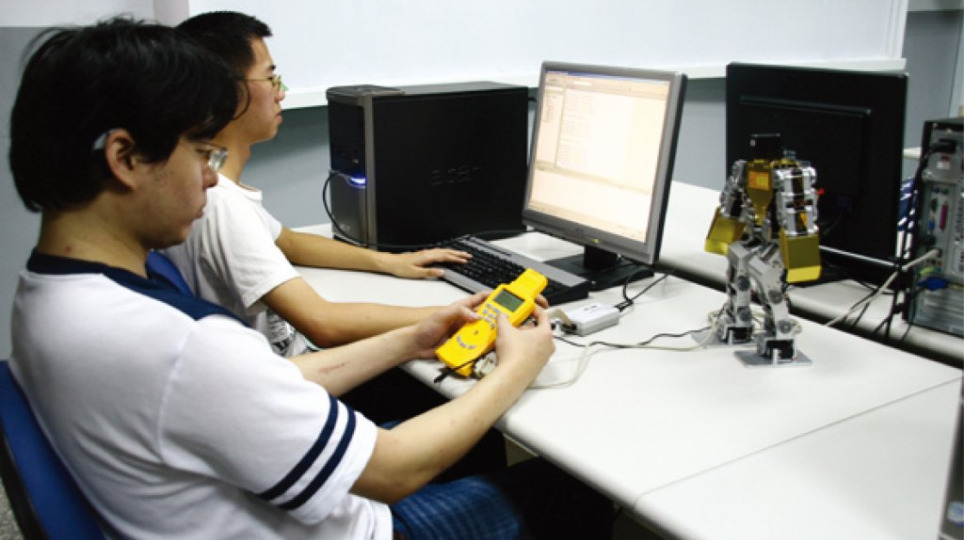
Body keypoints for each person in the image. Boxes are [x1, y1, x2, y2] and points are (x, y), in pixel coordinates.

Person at [8, 18, 612, 539]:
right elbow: (393, 469)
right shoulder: (177, 344)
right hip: (357, 528)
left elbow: (249, 382)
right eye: (200, 152)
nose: (213, 178)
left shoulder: (48, 296)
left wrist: (411, 337)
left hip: (242, 501)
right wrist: (516, 368)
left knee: (467, 431)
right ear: (125, 158)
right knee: (577, 486)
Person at [163, 11, 470, 358]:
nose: (281, 93)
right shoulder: (221, 204)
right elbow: (322, 323)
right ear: (225, 93)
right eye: (271, 79)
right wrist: (457, 313)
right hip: (294, 376)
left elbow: (290, 242)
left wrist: (390, 262)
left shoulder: (217, 191)